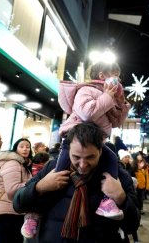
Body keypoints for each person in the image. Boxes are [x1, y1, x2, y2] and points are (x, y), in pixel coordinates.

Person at [13, 122, 140, 242]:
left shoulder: (118, 176)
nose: (83, 165)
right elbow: (18, 205)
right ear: (68, 151)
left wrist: (121, 198)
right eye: (76, 157)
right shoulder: (53, 168)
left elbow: (132, 226)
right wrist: (40, 187)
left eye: (90, 157)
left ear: (100, 151)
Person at [57, 61, 130, 219]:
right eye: (114, 76)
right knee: (59, 174)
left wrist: (122, 106)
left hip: (96, 142)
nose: (118, 80)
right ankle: (35, 211)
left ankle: (106, 201)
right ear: (102, 76)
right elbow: (87, 114)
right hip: (74, 138)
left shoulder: (110, 97)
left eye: (119, 77)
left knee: (111, 158)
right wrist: (108, 97)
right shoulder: (86, 89)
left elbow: (115, 122)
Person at [0, 138, 33, 243]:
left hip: (13, 212)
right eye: (21, 146)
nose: (25, 149)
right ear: (15, 149)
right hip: (7, 213)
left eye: (28, 147)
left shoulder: (22, 164)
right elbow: (13, 190)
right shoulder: (13, 163)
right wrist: (34, 184)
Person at [20, 147, 50, 239]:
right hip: (38, 198)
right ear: (44, 162)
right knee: (35, 213)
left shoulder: (31, 167)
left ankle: (30, 226)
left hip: (30, 196)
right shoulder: (43, 170)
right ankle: (31, 225)